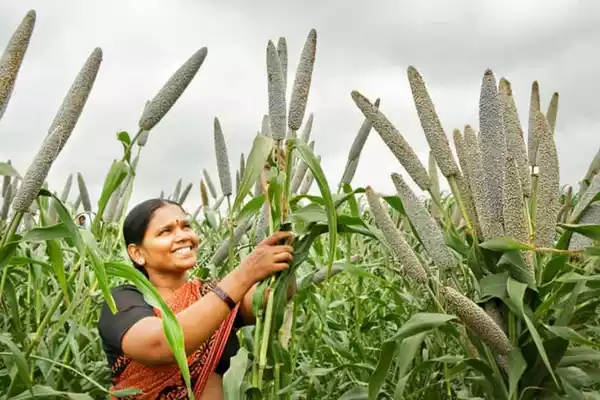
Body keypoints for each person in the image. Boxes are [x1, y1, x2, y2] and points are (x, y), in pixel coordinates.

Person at [97, 198, 295, 399]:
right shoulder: (121, 301)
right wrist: (244, 274)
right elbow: (159, 345)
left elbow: (274, 295)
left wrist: (278, 203)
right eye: (166, 231)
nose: (182, 236)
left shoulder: (212, 293)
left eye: (186, 226)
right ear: (137, 253)